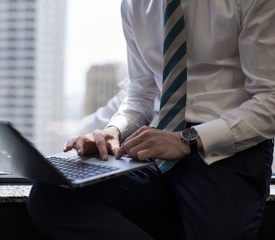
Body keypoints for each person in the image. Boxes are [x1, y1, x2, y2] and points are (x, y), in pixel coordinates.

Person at [27, 1, 275, 239]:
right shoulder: (134, 3)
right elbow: (142, 91)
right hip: (156, 144)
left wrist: (187, 140)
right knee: (52, 194)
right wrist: (115, 129)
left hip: (226, 149)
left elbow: (271, 98)